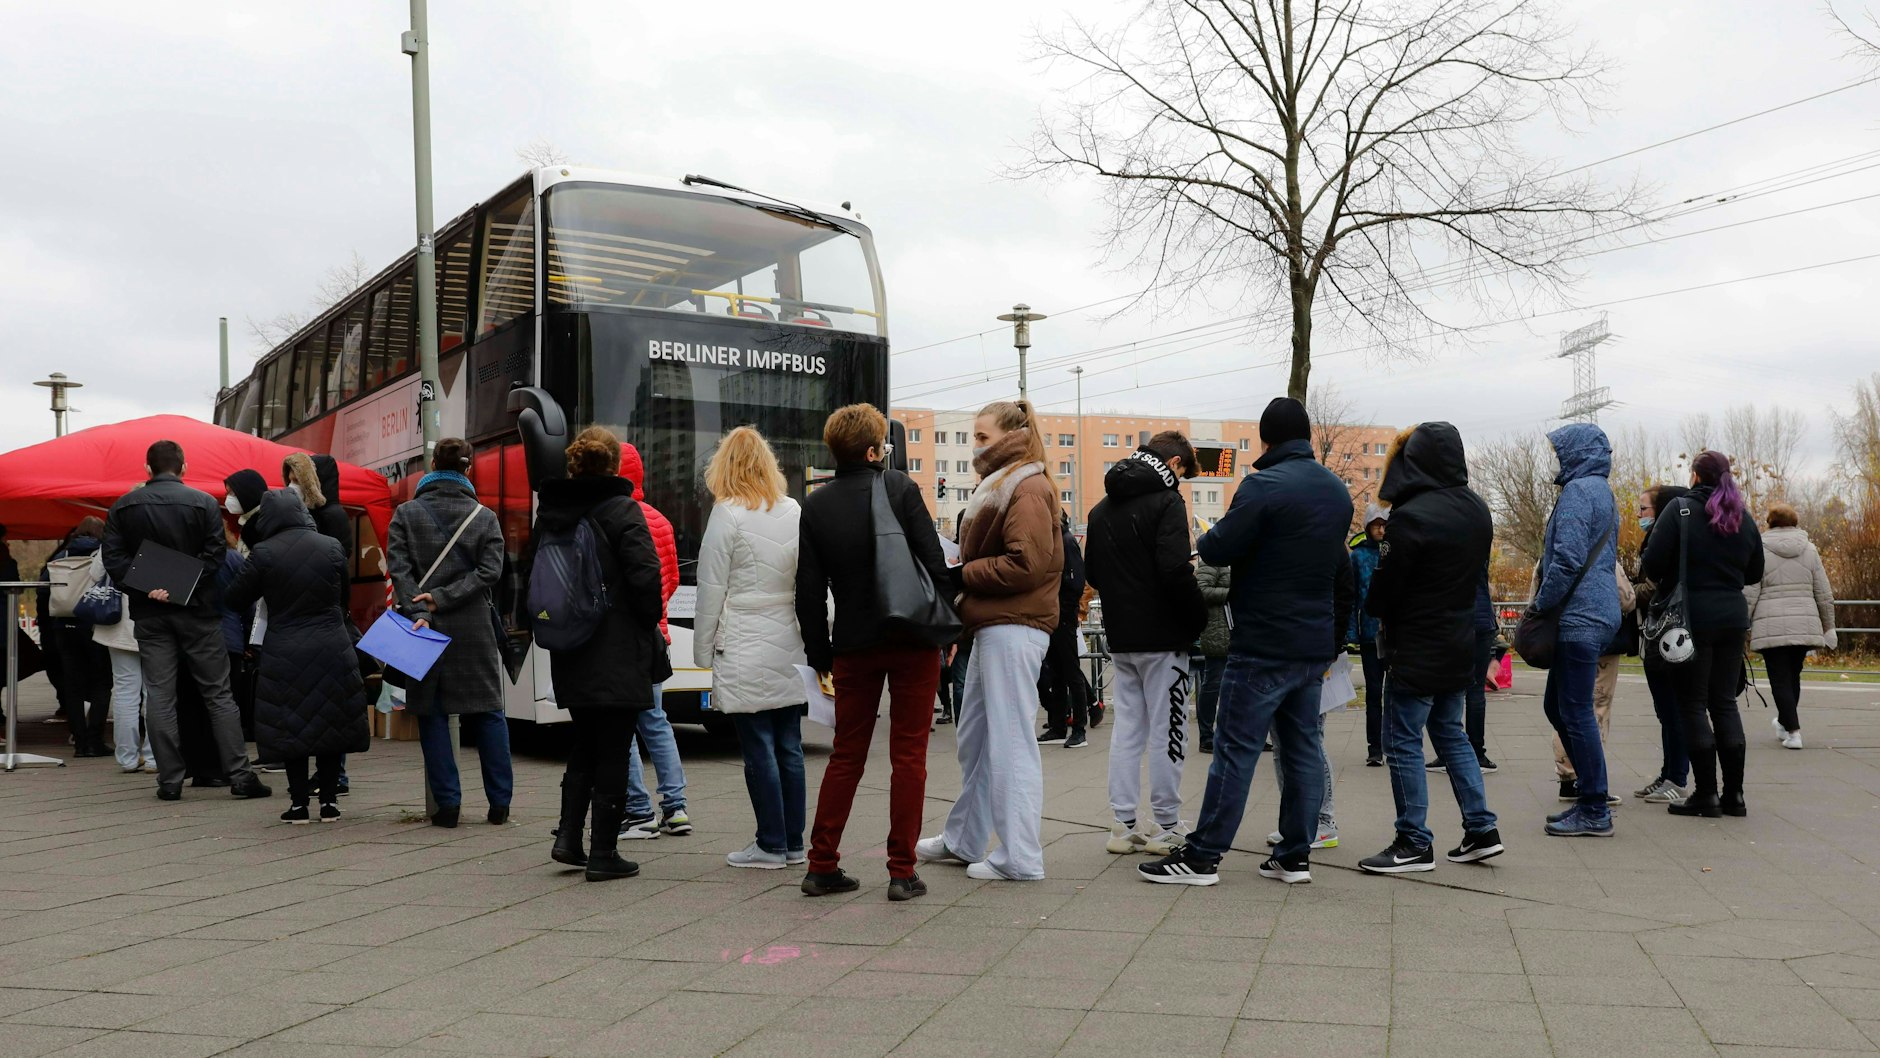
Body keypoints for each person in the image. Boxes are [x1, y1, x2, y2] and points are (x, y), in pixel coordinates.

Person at [1138, 397, 1352, 887]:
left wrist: (1215, 533)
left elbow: (1218, 547)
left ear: (1265, 439)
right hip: (1312, 643)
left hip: (1263, 642)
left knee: (1235, 749)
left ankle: (1202, 857)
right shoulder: (1336, 491)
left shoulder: (1262, 485)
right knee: (1302, 750)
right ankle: (1294, 855)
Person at [798, 404, 954, 900]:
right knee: (909, 754)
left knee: (846, 755)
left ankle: (821, 865)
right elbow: (934, 563)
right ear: (871, 451)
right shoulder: (900, 489)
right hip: (911, 640)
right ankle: (902, 872)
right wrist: (947, 632)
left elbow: (807, 591)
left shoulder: (816, 506)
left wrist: (820, 654)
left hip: (853, 644)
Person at [916, 399, 1063, 883]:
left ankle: (1020, 856)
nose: (974, 446)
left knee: (1008, 741)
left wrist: (960, 572)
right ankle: (966, 836)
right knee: (977, 740)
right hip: (997, 623)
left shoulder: (1026, 486)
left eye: (982, 437)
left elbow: (1026, 564)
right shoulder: (1008, 482)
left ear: (1010, 437)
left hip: (1013, 625)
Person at [1355, 423, 1502, 874]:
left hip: (1416, 643)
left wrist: (1376, 605)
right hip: (1459, 639)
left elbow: (1387, 587)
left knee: (1401, 740)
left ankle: (1413, 840)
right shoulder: (1477, 509)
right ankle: (1481, 828)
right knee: (1451, 733)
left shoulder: (1411, 516)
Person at [100, 440, 269, 801]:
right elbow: (215, 556)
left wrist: (150, 586)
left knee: (159, 695)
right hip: (198, 611)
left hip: (150, 613)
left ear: (147, 469)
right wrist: (178, 588)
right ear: (184, 467)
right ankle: (240, 775)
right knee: (218, 694)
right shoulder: (204, 503)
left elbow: (114, 560)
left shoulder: (123, 507)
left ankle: (170, 779)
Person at [538, 427, 666, 882]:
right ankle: (603, 853)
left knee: (585, 742)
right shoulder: (622, 509)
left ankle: (568, 838)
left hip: (570, 645)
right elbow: (646, 576)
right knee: (613, 747)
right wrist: (646, 621)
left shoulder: (552, 510)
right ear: (614, 465)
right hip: (616, 645)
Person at [1085, 431, 1207, 856]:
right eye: (1183, 474)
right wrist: (1197, 617)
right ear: (1174, 464)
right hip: (1164, 636)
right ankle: (1167, 825)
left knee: (1128, 730)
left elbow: (1093, 573)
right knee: (1168, 729)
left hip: (1122, 636)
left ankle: (1123, 824)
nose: (1182, 482)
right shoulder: (1168, 502)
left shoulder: (1101, 508)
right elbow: (1175, 569)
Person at [693, 427, 808, 870]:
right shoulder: (793, 509)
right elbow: (808, 577)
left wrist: (702, 652)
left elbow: (711, 589)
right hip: (788, 636)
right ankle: (794, 843)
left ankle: (770, 843)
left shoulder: (727, 513)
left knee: (758, 745)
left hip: (743, 636)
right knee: (790, 745)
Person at [387, 438, 512, 828]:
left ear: (432, 466)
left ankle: (448, 807)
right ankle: (499, 804)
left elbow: (399, 570)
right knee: (489, 712)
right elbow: (490, 572)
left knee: (433, 714)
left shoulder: (406, 514)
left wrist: (422, 608)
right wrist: (445, 597)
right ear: (468, 469)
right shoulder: (484, 517)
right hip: (475, 626)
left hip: (422, 627)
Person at [223, 490, 369, 824]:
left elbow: (234, 599)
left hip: (284, 648)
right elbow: (344, 598)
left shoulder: (264, 553)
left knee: (292, 725)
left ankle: (299, 804)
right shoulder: (332, 546)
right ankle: (329, 802)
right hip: (332, 645)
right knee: (330, 721)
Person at [1644, 450, 1763, 818]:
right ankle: (1735, 796)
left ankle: (1706, 794)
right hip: (1733, 616)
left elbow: (1652, 564)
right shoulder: (1742, 516)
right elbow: (1755, 572)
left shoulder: (1679, 510)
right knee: (1724, 702)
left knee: (1693, 704)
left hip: (1690, 619)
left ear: (1694, 476)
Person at [1528, 424, 1623, 837]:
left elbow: (1567, 559)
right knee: (1558, 706)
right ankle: (1591, 790)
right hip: (1596, 611)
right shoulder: (1600, 490)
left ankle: (1595, 806)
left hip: (1579, 616)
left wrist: (1541, 604)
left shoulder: (1578, 492)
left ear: (1577, 453)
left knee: (1576, 709)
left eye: (1558, 451)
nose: (1555, 459)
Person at [617, 441, 691, 841]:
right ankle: (676, 808)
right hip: (657, 637)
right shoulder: (660, 520)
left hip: (624, 640)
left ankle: (638, 810)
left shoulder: (612, 517)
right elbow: (672, 579)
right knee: (656, 721)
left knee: (624, 725)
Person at [286, 452, 354, 792]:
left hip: (326, 615)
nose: (292, 484)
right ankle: (329, 773)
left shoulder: (331, 515)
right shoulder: (312, 514)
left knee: (329, 700)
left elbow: (338, 564)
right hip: (315, 615)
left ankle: (335, 774)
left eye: (296, 478)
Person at [1747, 503, 1836, 750]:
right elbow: (1823, 592)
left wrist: (1742, 621)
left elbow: (1751, 590)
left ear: (1770, 523)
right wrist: (1829, 626)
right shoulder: (1810, 550)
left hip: (1771, 625)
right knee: (1793, 676)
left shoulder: (1760, 550)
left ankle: (1794, 732)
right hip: (1804, 623)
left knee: (1779, 679)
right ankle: (1785, 723)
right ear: (1795, 522)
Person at [1544, 559, 1634, 805]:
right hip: (1599, 642)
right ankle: (1594, 786)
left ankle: (1568, 775)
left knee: (1563, 709)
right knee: (1594, 711)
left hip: (1563, 638)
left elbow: (1539, 595)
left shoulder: (1548, 559)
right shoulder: (1606, 560)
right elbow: (1628, 599)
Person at [1631, 485, 1691, 803]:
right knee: (1665, 711)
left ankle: (1677, 777)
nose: (1639, 515)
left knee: (1673, 709)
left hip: (1668, 632)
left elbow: (1654, 586)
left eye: (1644, 509)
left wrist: (1625, 591)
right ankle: (1668, 773)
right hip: (1657, 632)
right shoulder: (1659, 537)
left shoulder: (1667, 539)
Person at [41, 518, 113, 757]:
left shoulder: (61, 555)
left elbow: (43, 588)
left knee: (72, 686)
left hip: (63, 624)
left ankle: (80, 743)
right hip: (94, 623)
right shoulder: (103, 552)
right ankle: (95, 741)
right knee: (102, 683)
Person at [86, 535, 152, 772]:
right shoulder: (161, 533)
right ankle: (155, 757)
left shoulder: (115, 538)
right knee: (156, 692)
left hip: (119, 624)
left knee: (125, 691)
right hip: (155, 622)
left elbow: (95, 574)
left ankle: (127, 757)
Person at [1037, 511, 1090, 749]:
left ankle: (1079, 729)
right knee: (1057, 673)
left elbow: (1076, 582)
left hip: (1063, 616)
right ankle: (1058, 726)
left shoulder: (1066, 542)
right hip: (1054, 614)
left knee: (1071, 672)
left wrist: (1066, 609)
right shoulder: (1058, 541)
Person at [1347, 507, 1387, 766]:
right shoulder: (1358, 556)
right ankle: (1375, 748)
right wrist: (1351, 634)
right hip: (1370, 635)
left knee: (1396, 693)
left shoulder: (1395, 553)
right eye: (1376, 525)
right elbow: (1352, 599)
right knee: (1374, 692)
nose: (1381, 530)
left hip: (1396, 635)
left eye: (1385, 525)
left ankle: (1394, 743)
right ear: (1368, 527)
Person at [1194, 559, 1231, 755]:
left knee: (1243, 686)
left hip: (1240, 632)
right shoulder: (1214, 559)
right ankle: (1207, 736)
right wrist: (1233, 593)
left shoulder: (1242, 558)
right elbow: (1201, 590)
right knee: (1212, 685)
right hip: (1218, 633)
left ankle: (1242, 735)